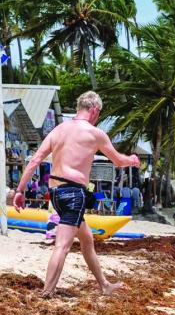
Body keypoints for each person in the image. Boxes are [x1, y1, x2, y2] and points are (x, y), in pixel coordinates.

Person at [13, 91, 141, 296]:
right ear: (94, 110)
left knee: (87, 239)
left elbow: (35, 160)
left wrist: (20, 190)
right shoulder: (94, 133)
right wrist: (132, 160)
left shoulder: (58, 130)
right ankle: (47, 291)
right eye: (99, 114)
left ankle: (104, 285)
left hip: (56, 193)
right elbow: (118, 161)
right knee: (62, 246)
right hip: (74, 193)